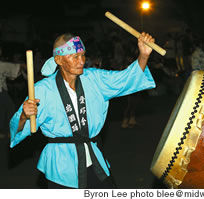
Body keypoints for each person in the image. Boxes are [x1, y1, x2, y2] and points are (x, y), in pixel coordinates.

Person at [9, 32, 156, 189]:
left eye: (83, 55)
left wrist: (143, 55)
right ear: (58, 59)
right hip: (61, 166)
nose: (81, 61)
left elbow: (126, 79)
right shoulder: (42, 90)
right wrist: (24, 116)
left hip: (93, 157)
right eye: (74, 56)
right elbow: (17, 130)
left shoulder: (94, 78)